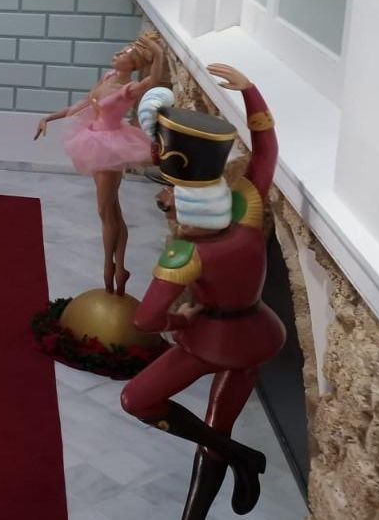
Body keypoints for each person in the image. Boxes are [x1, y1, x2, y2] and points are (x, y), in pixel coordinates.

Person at [120, 65, 283, 520]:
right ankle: (226, 475)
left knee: (137, 400)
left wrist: (180, 319)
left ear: (186, 206)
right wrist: (251, 92)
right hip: (258, 334)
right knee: (218, 421)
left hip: (209, 340)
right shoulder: (246, 212)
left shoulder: (185, 254)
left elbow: (145, 320)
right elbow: (267, 152)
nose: (165, 202)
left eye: (171, 197)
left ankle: (239, 456)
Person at [33, 33, 165, 295]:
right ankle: (119, 268)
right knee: (112, 209)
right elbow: (84, 104)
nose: (117, 55)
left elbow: (154, 80)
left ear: (133, 64)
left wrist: (158, 53)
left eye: (123, 54)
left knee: (105, 211)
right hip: (93, 140)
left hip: (111, 146)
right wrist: (49, 117)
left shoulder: (127, 89)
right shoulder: (108, 77)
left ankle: (109, 267)